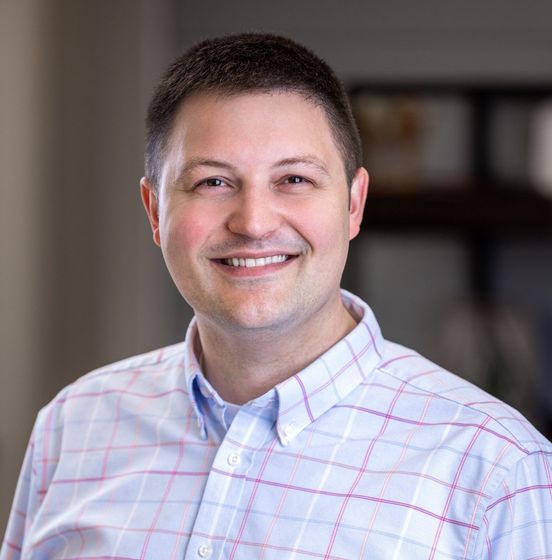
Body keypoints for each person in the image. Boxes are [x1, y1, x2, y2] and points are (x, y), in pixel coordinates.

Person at [2, 33, 551, 560]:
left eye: (293, 180)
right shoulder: (72, 426)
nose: (255, 223)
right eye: (213, 182)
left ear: (354, 204)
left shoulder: (498, 470)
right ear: (154, 211)